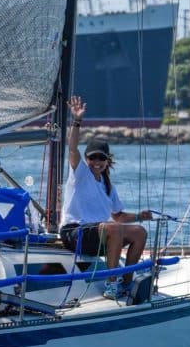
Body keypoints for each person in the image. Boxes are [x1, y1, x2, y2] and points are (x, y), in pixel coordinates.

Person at [59, 95, 148, 299]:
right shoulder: (80, 174)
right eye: (93, 158)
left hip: (100, 233)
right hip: (74, 233)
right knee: (113, 229)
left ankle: (126, 283)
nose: (97, 162)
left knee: (139, 232)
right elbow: (72, 149)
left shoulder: (108, 185)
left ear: (107, 161)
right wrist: (77, 121)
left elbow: (119, 216)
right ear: (86, 159)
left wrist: (141, 215)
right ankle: (111, 285)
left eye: (102, 158)